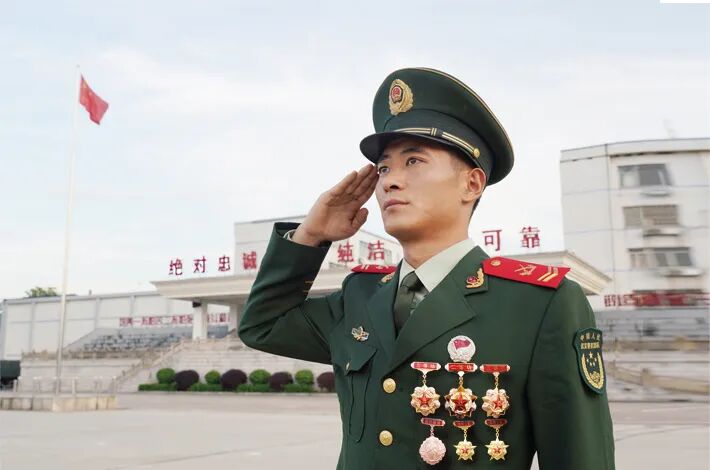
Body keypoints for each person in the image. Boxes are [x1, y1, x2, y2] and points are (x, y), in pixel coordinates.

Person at [239, 67, 615, 469]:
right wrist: (310, 235)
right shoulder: (360, 297)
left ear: (472, 184)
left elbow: (580, 457)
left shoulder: (539, 305)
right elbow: (263, 325)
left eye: (414, 161)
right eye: (384, 168)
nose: (390, 182)